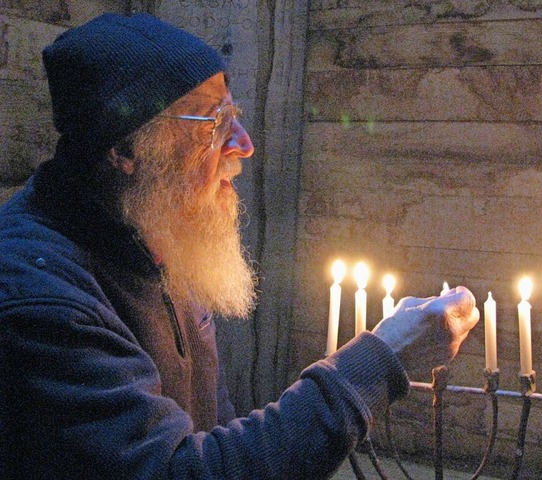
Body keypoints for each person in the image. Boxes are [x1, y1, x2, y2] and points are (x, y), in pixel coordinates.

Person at [0, 13, 479, 480]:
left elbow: (213, 431)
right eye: (213, 123)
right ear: (126, 151)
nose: (245, 144)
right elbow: (179, 469)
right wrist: (378, 361)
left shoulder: (151, 233)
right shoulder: (39, 300)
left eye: (235, 114)